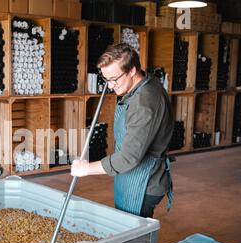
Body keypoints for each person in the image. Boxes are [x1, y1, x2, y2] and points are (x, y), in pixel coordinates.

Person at [71, 43, 174, 218]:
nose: (110, 86)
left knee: (133, 236)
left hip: (143, 183)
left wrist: (86, 168)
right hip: (131, 176)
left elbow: (128, 158)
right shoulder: (144, 83)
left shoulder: (144, 104)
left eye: (114, 79)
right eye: (106, 79)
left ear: (132, 70)